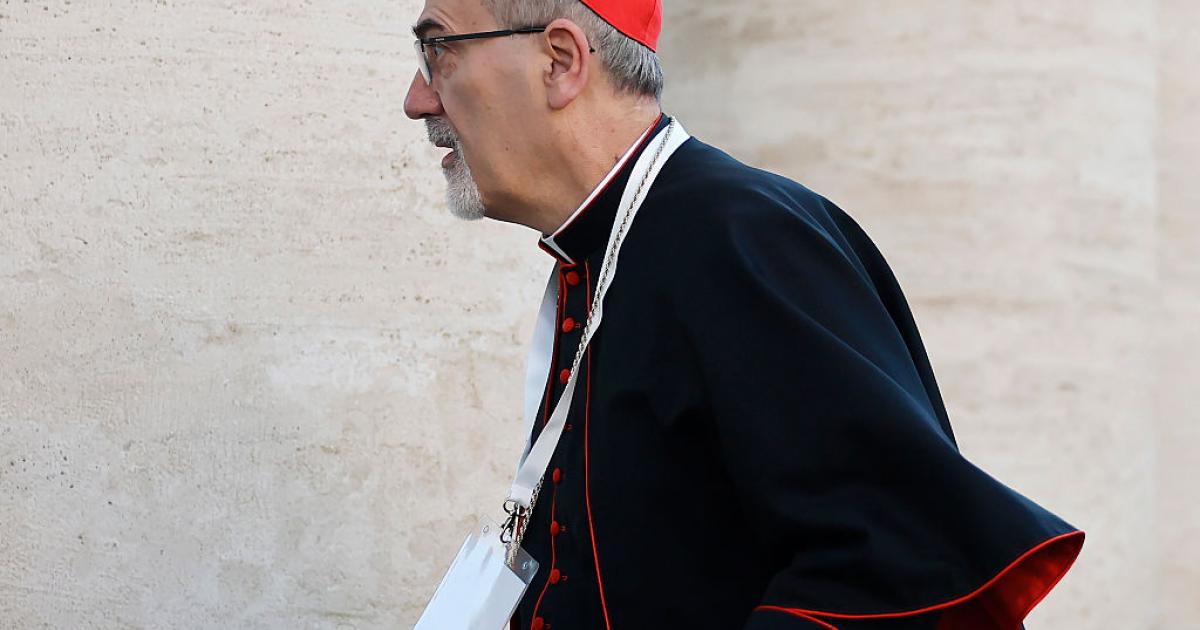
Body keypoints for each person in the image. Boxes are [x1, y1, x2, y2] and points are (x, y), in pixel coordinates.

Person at [403, 0, 1085, 628]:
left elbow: (900, 563)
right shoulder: (599, 252)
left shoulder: (744, 235)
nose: (417, 99)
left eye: (439, 49)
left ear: (560, 61)